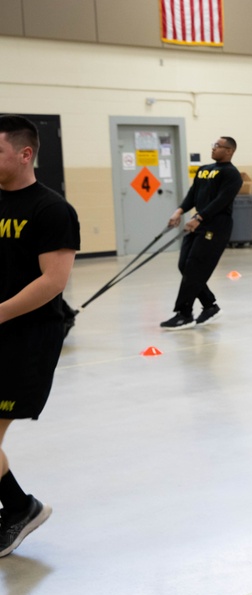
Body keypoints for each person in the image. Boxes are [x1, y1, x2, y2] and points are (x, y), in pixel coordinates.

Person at [0, 115, 80, 557]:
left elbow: (53, 281)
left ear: (25, 153)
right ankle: (17, 506)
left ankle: (19, 508)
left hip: (27, 337)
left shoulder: (51, 210)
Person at [161, 137, 242, 330]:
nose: (213, 149)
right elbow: (193, 194)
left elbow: (221, 201)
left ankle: (184, 314)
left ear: (229, 151)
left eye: (218, 146)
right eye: (213, 145)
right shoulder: (204, 169)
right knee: (185, 265)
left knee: (195, 266)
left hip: (215, 226)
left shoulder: (232, 175)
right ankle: (209, 306)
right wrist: (179, 211)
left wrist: (199, 217)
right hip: (198, 223)